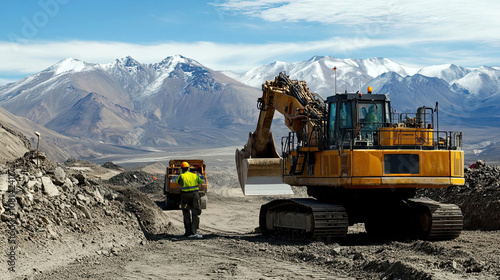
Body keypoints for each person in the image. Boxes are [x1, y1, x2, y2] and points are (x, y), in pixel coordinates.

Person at [176, 161, 204, 238]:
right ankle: (194, 231)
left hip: (185, 195)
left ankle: (188, 232)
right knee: (195, 212)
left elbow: (179, 183)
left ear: (182, 169)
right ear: (188, 168)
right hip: (195, 195)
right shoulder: (195, 175)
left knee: (186, 213)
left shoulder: (181, 176)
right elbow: (200, 181)